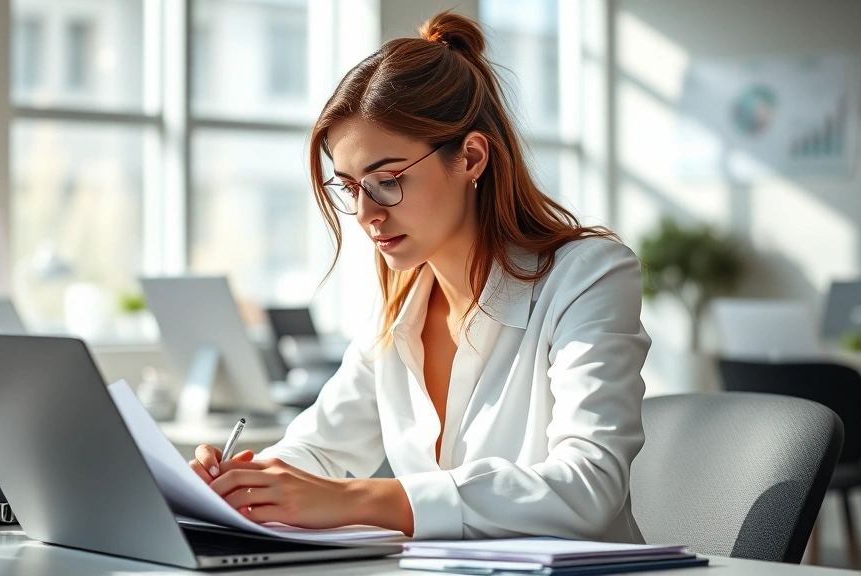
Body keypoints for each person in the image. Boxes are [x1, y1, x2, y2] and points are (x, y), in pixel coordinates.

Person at [190, 11, 650, 542]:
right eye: (349, 187)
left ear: (471, 157)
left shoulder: (589, 276)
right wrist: (244, 480)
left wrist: (355, 498)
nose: (365, 213)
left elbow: (588, 486)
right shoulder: (399, 310)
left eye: (387, 181)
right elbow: (317, 449)